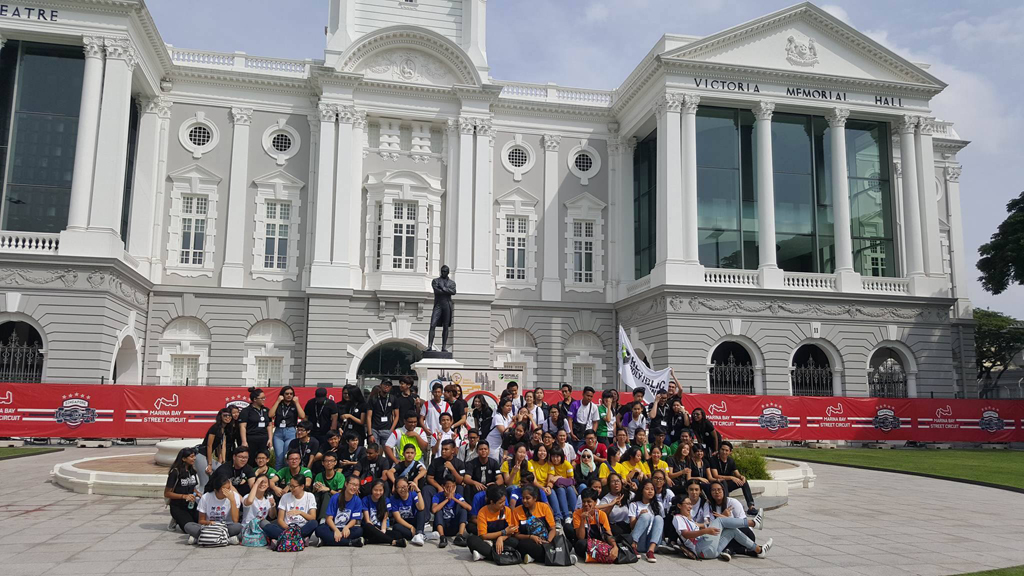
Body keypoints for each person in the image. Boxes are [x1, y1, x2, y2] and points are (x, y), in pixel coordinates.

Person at [672, 494, 770, 561]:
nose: (690, 506)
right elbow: (686, 534)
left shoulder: (688, 519)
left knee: (733, 531)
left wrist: (705, 528)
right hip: (701, 548)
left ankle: (759, 550)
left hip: (710, 551)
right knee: (719, 520)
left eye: (691, 504)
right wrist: (705, 531)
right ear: (679, 506)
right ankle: (753, 523)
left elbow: (697, 528)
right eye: (687, 504)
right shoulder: (677, 518)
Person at [184, 467, 244, 545]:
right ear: (216, 490)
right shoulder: (206, 497)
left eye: (229, 488)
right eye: (224, 490)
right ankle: (227, 539)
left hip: (226, 527)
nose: (228, 492)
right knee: (188, 526)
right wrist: (209, 522)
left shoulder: (234, 496)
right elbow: (201, 521)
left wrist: (232, 501)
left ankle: (200, 538)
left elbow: (235, 520)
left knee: (238, 527)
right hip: (209, 527)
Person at [467, 484, 519, 563]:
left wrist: (501, 538)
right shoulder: (483, 512)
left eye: (504, 501)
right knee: (472, 540)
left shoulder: (507, 510)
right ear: (492, 502)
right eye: (500, 502)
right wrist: (502, 532)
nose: (503, 504)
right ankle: (502, 554)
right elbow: (483, 536)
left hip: (503, 540)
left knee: (515, 541)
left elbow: (510, 531)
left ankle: (485, 555)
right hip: (487, 540)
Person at [708, 480, 758, 557]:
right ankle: (737, 550)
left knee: (736, 531)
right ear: (710, 493)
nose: (717, 492)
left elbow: (743, 523)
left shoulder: (733, 502)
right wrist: (723, 517)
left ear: (723, 490)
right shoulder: (709, 505)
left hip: (743, 533)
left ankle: (730, 549)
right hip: (722, 534)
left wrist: (725, 518)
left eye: (719, 489)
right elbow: (711, 526)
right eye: (713, 490)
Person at [314, 475, 364, 547]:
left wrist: (346, 527)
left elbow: (354, 520)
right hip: (333, 527)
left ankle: (326, 541)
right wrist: (336, 530)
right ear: (346, 484)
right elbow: (329, 519)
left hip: (346, 528)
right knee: (319, 530)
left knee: (359, 531)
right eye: (352, 484)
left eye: (357, 485)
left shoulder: (357, 501)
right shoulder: (335, 497)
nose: (354, 487)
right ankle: (351, 542)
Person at [710, 441, 758, 515]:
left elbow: (737, 473)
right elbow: (715, 475)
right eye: (722, 449)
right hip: (717, 483)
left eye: (726, 450)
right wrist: (731, 477)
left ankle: (751, 506)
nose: (724, 452)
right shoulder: (714, 459)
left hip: (728, 484)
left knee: (743, 482)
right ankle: (725, 507)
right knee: (723, 482)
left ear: (730, 452)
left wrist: (741, 477)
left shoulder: (731, 460)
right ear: (719, 450)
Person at [571, 488, 618, 562]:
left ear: (595, 502)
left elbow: (609, 534)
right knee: (580, 544)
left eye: (589, 501)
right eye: (584, 502)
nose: (586, 504)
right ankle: (602, 556)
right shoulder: (577, 514)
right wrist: (583, 520)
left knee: (624, 538)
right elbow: (580, 537)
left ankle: (593, 557)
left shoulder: (601, 514)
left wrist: (615, 547)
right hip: (587, 543)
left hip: (599, 543)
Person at [511, 485, 555, 564]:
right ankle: (554, 555)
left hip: (546, 539)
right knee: (521, 545)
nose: (524, 500)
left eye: (527, 498)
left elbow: (552, 529)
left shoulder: (544, 507)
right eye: (523, 498)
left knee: (565, 543)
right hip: (530, 540)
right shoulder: (517, 511)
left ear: (535, 498)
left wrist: (548, 541)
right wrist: (531, 537)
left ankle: (535, 557)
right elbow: (516, 535)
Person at [361, 479, 407, 547]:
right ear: (371, 490)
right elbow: (367, 521)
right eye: (375, 490)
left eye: (380, 490)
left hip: (380, 527)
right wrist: (378, 531)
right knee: (368, 526)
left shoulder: (386, 500)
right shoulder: (365, 500)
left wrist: (383, 530)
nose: (378, 492)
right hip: (370, 528)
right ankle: (393, 542)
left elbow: (384, 519)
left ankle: (369, 541)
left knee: (398, 534)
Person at [165, 447, 200, 533]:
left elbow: (192, 487)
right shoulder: (175, 472)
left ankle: (179, 519)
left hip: (190, 505)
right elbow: (167, 493)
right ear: (184, 459)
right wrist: (184, 496)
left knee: (202, 522)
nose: (194, 458)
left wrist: (198, 494)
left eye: (194, 456)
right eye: (191, 457)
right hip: (178, 506)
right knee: (189, 528)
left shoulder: (192, 471)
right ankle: (176, 519)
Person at [270, 385, 305, 470]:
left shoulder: (294, 405)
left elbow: (302, 416)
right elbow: (270, 415)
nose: (289, 395)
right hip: (278, 432)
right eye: (287, 394)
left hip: (290, 431)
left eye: (291, 394)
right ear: (282, 395)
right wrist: (278, 401)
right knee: (279, 457)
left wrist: (297, 403)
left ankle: (286, 477)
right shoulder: (278, 404)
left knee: (287, 456)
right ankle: (277, 478)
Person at [628, 479, 663, 563]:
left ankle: (650, 551)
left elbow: (660, 526)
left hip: (652, 541)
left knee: (659, 518)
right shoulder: (634, 505)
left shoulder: (658, 505)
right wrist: (639, 516)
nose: (650, 491)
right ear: (642, 491)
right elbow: (631, 526)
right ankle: (633, 545)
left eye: (652, 489)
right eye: (647, 489)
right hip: (640, 540)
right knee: (645, 516)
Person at [195, 408, 230, 490]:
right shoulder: (215, 428)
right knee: (204, 483)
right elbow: (209, 446)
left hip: (207, 457)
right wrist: (210, 464)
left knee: (222, 470)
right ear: (220, 416)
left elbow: (219, 445)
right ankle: (196, 501)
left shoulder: (223, 429)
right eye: (225, 415)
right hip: (201, 456)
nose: (227, 417)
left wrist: (221, 459)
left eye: (229, 415)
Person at [431, 477, 471, 548]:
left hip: (453, 525)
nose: (450, 489)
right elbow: (434, 510)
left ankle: (460, 536)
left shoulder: (457, 496)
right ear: (443, 487)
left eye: (452, 487)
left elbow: (469, 507)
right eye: (448, 487)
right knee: (438, 511)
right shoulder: (437, 496)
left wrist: (453, 498)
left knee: (463, 510)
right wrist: (447, 499)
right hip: (442, 525)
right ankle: (442, 537)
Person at [423, 439, 465, 505]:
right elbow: (429, 478)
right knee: (427, 489)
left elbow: (460, 481)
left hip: (452, 489)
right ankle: (425, 514)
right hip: (438, 487)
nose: (443, 451)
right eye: (442, 449)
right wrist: (439, 487)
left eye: (446, 449)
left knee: (460, 488)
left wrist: (452, 469)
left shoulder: (459, 463)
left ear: (453, 451)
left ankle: (458, 513)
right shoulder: (435, 462)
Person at [390, 476, 428, 545]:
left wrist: (418, 491)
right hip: (404, 523)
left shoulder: (413, 494)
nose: (402, 489)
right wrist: (411, 527)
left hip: (414, 521)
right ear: (396, 488)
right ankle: (422, 535)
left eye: (404, 486)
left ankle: (419, 533)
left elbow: (421, 507)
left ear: (408, 486)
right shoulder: (393, 498)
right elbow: (398, 518)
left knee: (421, 510)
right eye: (399, 487)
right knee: (396, 527)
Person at [239, 387, 273, 462]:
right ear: (255, 399)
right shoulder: (246, 411)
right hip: (251, 438)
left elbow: (269, 425)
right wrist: (244, 441)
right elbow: (242, 426)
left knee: (262, 458)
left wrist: (270, 439)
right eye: (262, 398)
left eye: (264, 398)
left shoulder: (266, 410)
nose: (264, 400)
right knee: (251, 459)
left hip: (263, 438)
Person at [596, 472, 632, 542]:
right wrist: (612, 504)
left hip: (628, 525)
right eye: (613, 481)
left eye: (618, 481)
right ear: (609, 485)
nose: (616, 484)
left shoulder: (628, 495)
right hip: (614, 526)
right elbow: (603, 515)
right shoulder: (606, 499)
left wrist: (636, 489)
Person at [312, 452, 346, 519]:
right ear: (322, 463)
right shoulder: (319, 476)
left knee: (326, 494)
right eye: (326, 461)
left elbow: (340, 494)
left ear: (335, 462)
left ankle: (323, 519)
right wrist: (315, 487)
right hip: (319, 499)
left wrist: (328, 489)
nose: (329, 463)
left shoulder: (340, 476)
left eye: (331, 461)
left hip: (334, 500)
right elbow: (313, 492)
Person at [548, 450, 577, 528]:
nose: (555, 459)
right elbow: (551, 480)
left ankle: (575, 514)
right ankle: (566, 516)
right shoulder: (550, 465)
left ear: (562, 457)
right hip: (556, 487)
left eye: (557, 456)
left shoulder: (567, 464)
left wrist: (558, 477)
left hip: (568, 486)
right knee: (561, 490)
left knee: (570, 489)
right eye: (553, 456)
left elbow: (571, 480)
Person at [367, 380, 399, 448]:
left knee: (388, 451)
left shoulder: (393, 399)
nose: (386, 387)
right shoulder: (373, 398)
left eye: (389, 385)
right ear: (380, 385)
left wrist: (391, 430)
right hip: (375, 429)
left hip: (387, 429)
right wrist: (370, 433)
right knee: (375, 451)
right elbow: (369, 416)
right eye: (385, 384)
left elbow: (396, 415)